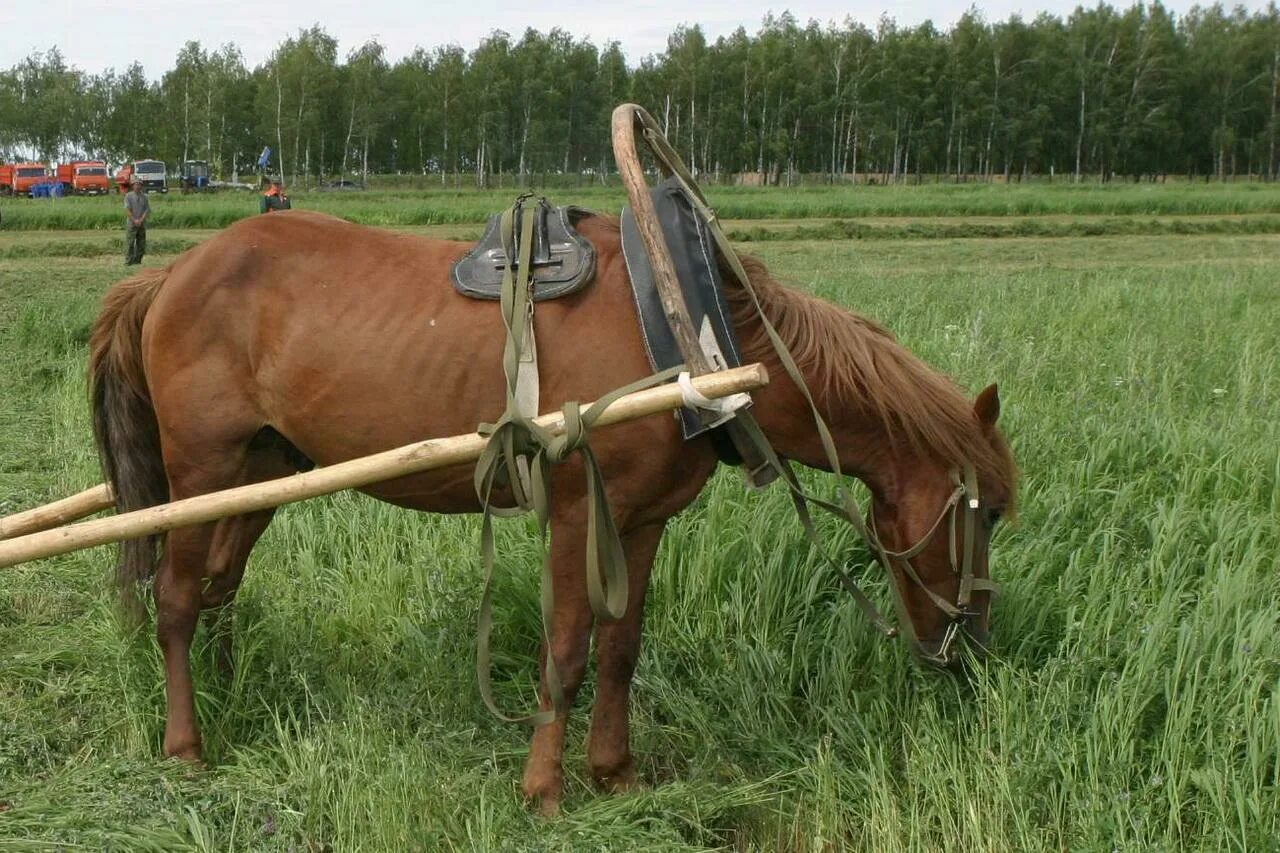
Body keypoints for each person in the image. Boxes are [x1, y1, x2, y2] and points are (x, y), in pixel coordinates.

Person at [124, 178, 150, 265]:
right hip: (131, 223)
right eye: (136, 184)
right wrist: (134, 220)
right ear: (133, 186)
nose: (138, 186)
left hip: (142, 223)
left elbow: (147, 210)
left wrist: (141, 220)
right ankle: (128, 261)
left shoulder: (145, 197)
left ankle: (137, 261)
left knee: (141, 243)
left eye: (139, 184)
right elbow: (127, 210)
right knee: (130, 243)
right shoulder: (128, 196)